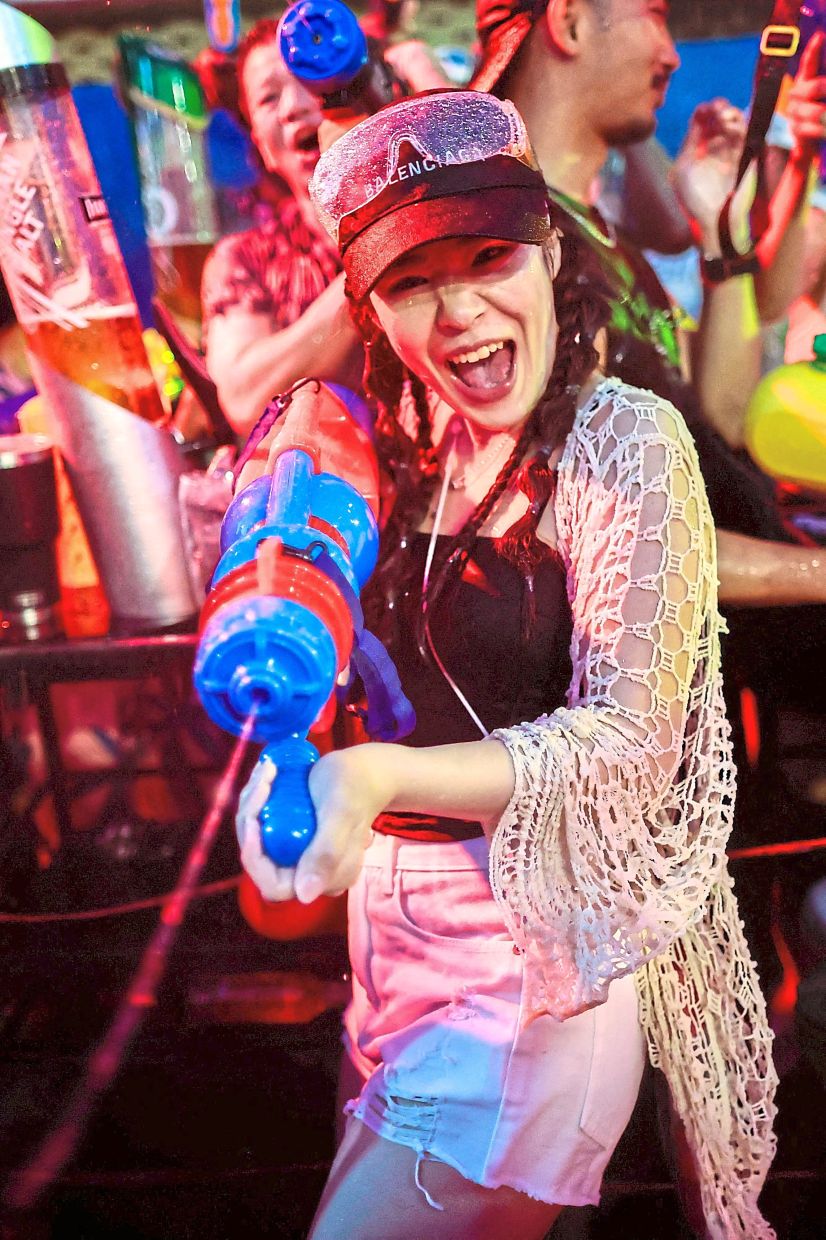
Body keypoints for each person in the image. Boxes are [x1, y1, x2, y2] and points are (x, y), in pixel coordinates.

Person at [236, 91, 777, 1240]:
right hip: (391, 975)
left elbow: (628, 740)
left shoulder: (620, 437)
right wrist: (287, 770)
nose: (465, 309)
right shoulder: (392, 458)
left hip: (537, 990)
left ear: (546, 252)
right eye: (414, 279)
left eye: (490, 257)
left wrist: (381, 778)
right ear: (371, 311)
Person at [471, 0, 826, 602]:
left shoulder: (599, 239)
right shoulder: (517, 253)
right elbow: (614, 533)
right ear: (571, 21)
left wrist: (717, 230)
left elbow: (726, 414)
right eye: (656, 15)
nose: (672, 54)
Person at [201, 18, 363, 436]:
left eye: (309, 79)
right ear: (261, 146)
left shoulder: (430, 211)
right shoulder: (244, 258)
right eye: (269, 98)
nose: (292, 107)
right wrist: (375, 261)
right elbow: (243, 399)